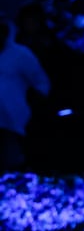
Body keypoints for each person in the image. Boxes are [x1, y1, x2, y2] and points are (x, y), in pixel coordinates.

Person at [0, 18, 51, 172]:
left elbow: (41, 82)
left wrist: (37, 101)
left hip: (11, 115)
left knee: (9, 160)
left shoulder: (20, 54)